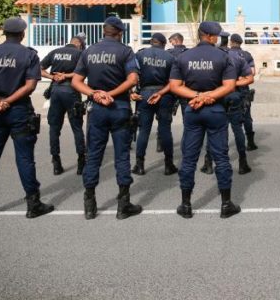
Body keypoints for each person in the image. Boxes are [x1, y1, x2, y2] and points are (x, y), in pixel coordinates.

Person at [0, 17, 54, 220]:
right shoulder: (28, 55)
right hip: (18, 110)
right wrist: (6, 102)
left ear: (4, 33)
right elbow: (30, 86)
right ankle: (33, 205)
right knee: (25, 159)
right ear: (22, 34)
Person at [72, 16, 142, 220]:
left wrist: (94, 94)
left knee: (93, 156)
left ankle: (90, 204)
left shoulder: (89, 51)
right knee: (121, 156)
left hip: (97, 109)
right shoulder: (125, 51)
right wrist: (112, 93)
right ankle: (123, 205)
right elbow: (133, 78)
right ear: (120, 33)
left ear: (104, 31)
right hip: (118, 106)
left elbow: (76, 81)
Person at [169, 21, 241, 219]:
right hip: (216, 109)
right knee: (221, 157)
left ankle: (186, 205)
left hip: (192, 109)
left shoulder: (184, 56)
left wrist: (196, 96)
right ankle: (226, 204)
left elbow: (175, 86)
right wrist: (207, 96)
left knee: (189, 158)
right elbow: (229, 86)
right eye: (215, 36)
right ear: (209, 36)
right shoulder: (223, 56)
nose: (217, 38)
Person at [199, 32, 254, 175]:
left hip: (216, 96)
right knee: (237, 128)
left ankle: (209, 162)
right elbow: (250, 78)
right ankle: (242, 162)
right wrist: (233, 84)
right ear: (228, 42)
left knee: (214, 130)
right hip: (234, 94)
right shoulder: (237, 57)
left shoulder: (211, 56)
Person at [130, 32, 178, 177]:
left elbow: (132, 76)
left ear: (151, 42)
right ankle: (168, 165)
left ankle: (139, 165)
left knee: (144, 130)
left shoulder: (139, 55)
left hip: (144, 94)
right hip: (164, 94)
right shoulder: (170, 57)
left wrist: (131, 92)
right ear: (163, 44)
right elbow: (173, 82)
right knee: (165, 130)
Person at [40, 35, 86, 175]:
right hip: (71, 92)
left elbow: (39, 69)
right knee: (77, 127)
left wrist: (52, 77)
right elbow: (83, 72)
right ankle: (81, 162)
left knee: (54, 128)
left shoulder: (55, 52)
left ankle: (56, 162)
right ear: (78, 44)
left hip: (55, 92)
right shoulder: (79, 54)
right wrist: (66, 76)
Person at [230, 33, 258, 151]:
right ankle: (250, 143)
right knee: (246, 116)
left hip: (228, 90)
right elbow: (252, 72)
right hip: (243, 89)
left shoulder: (225, 53)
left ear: (231, 42)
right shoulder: (246, 55)